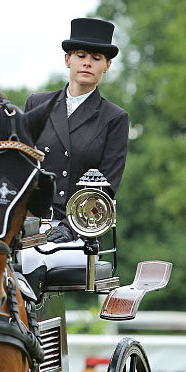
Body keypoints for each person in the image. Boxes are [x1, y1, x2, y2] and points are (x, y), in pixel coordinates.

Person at [20, 18, 129, 274]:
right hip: (28, 223)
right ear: (67, 60)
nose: (87, 63)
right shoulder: (37, 104)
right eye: (80, 55)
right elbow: (18, 166)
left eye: (96, 58)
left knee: (32, 259)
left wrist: (70, 227)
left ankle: (26, 316)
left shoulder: (114, 118)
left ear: (107, 65)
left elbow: (107, 185)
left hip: (79, 232)